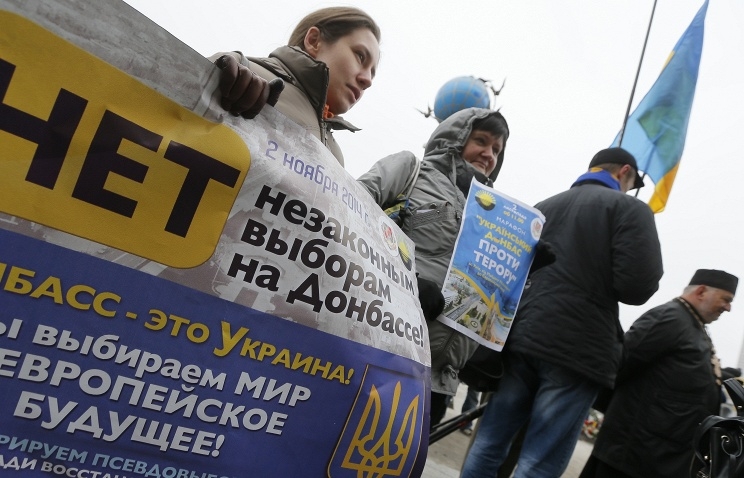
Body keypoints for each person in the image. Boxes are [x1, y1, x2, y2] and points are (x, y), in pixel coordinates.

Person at [461, 147, 664, 478]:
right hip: (577, 350)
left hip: (520, 338)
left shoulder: (542, 208)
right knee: (538, 461)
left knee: (489, 442)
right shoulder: (630, 209)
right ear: (624, 171)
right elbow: (637, 286)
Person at [358, 107, 554, 427]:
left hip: (437, 382)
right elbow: (347, 210)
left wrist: (520, 275)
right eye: (482, 140)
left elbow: (479, 302)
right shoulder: (411, 171)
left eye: (497, 150)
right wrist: (407, 281)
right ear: (456, 137)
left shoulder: (492, 219)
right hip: (377, 350)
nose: (489, 154)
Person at [580, 269, 738, 478]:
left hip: (656, 456)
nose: (728, 308)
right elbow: (618, 366)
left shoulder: (692, 324)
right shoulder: (670, 318)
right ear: (701, 291)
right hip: (633, 454)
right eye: (726, 299)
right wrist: (622, 424)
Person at [210, 7, 381, 166]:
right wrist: (218, 79)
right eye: (360, 56)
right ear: (314, 41)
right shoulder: (242, 70)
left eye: (372, 73)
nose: (368, 80)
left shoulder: (336, 158)